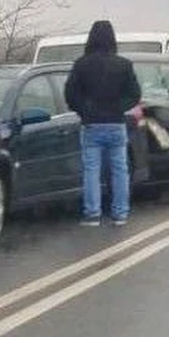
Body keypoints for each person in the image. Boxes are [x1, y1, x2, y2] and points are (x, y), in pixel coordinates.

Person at [64, 20, 142, 226]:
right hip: (116, 123)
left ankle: (92, 213)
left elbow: (70, 94)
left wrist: (84, 109)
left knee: (91, 169)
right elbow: (135, 94)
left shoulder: (81, 64)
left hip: (91, 125)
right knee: (119, 170)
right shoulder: (123, 65)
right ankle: (120, 214)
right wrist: (119, 107)